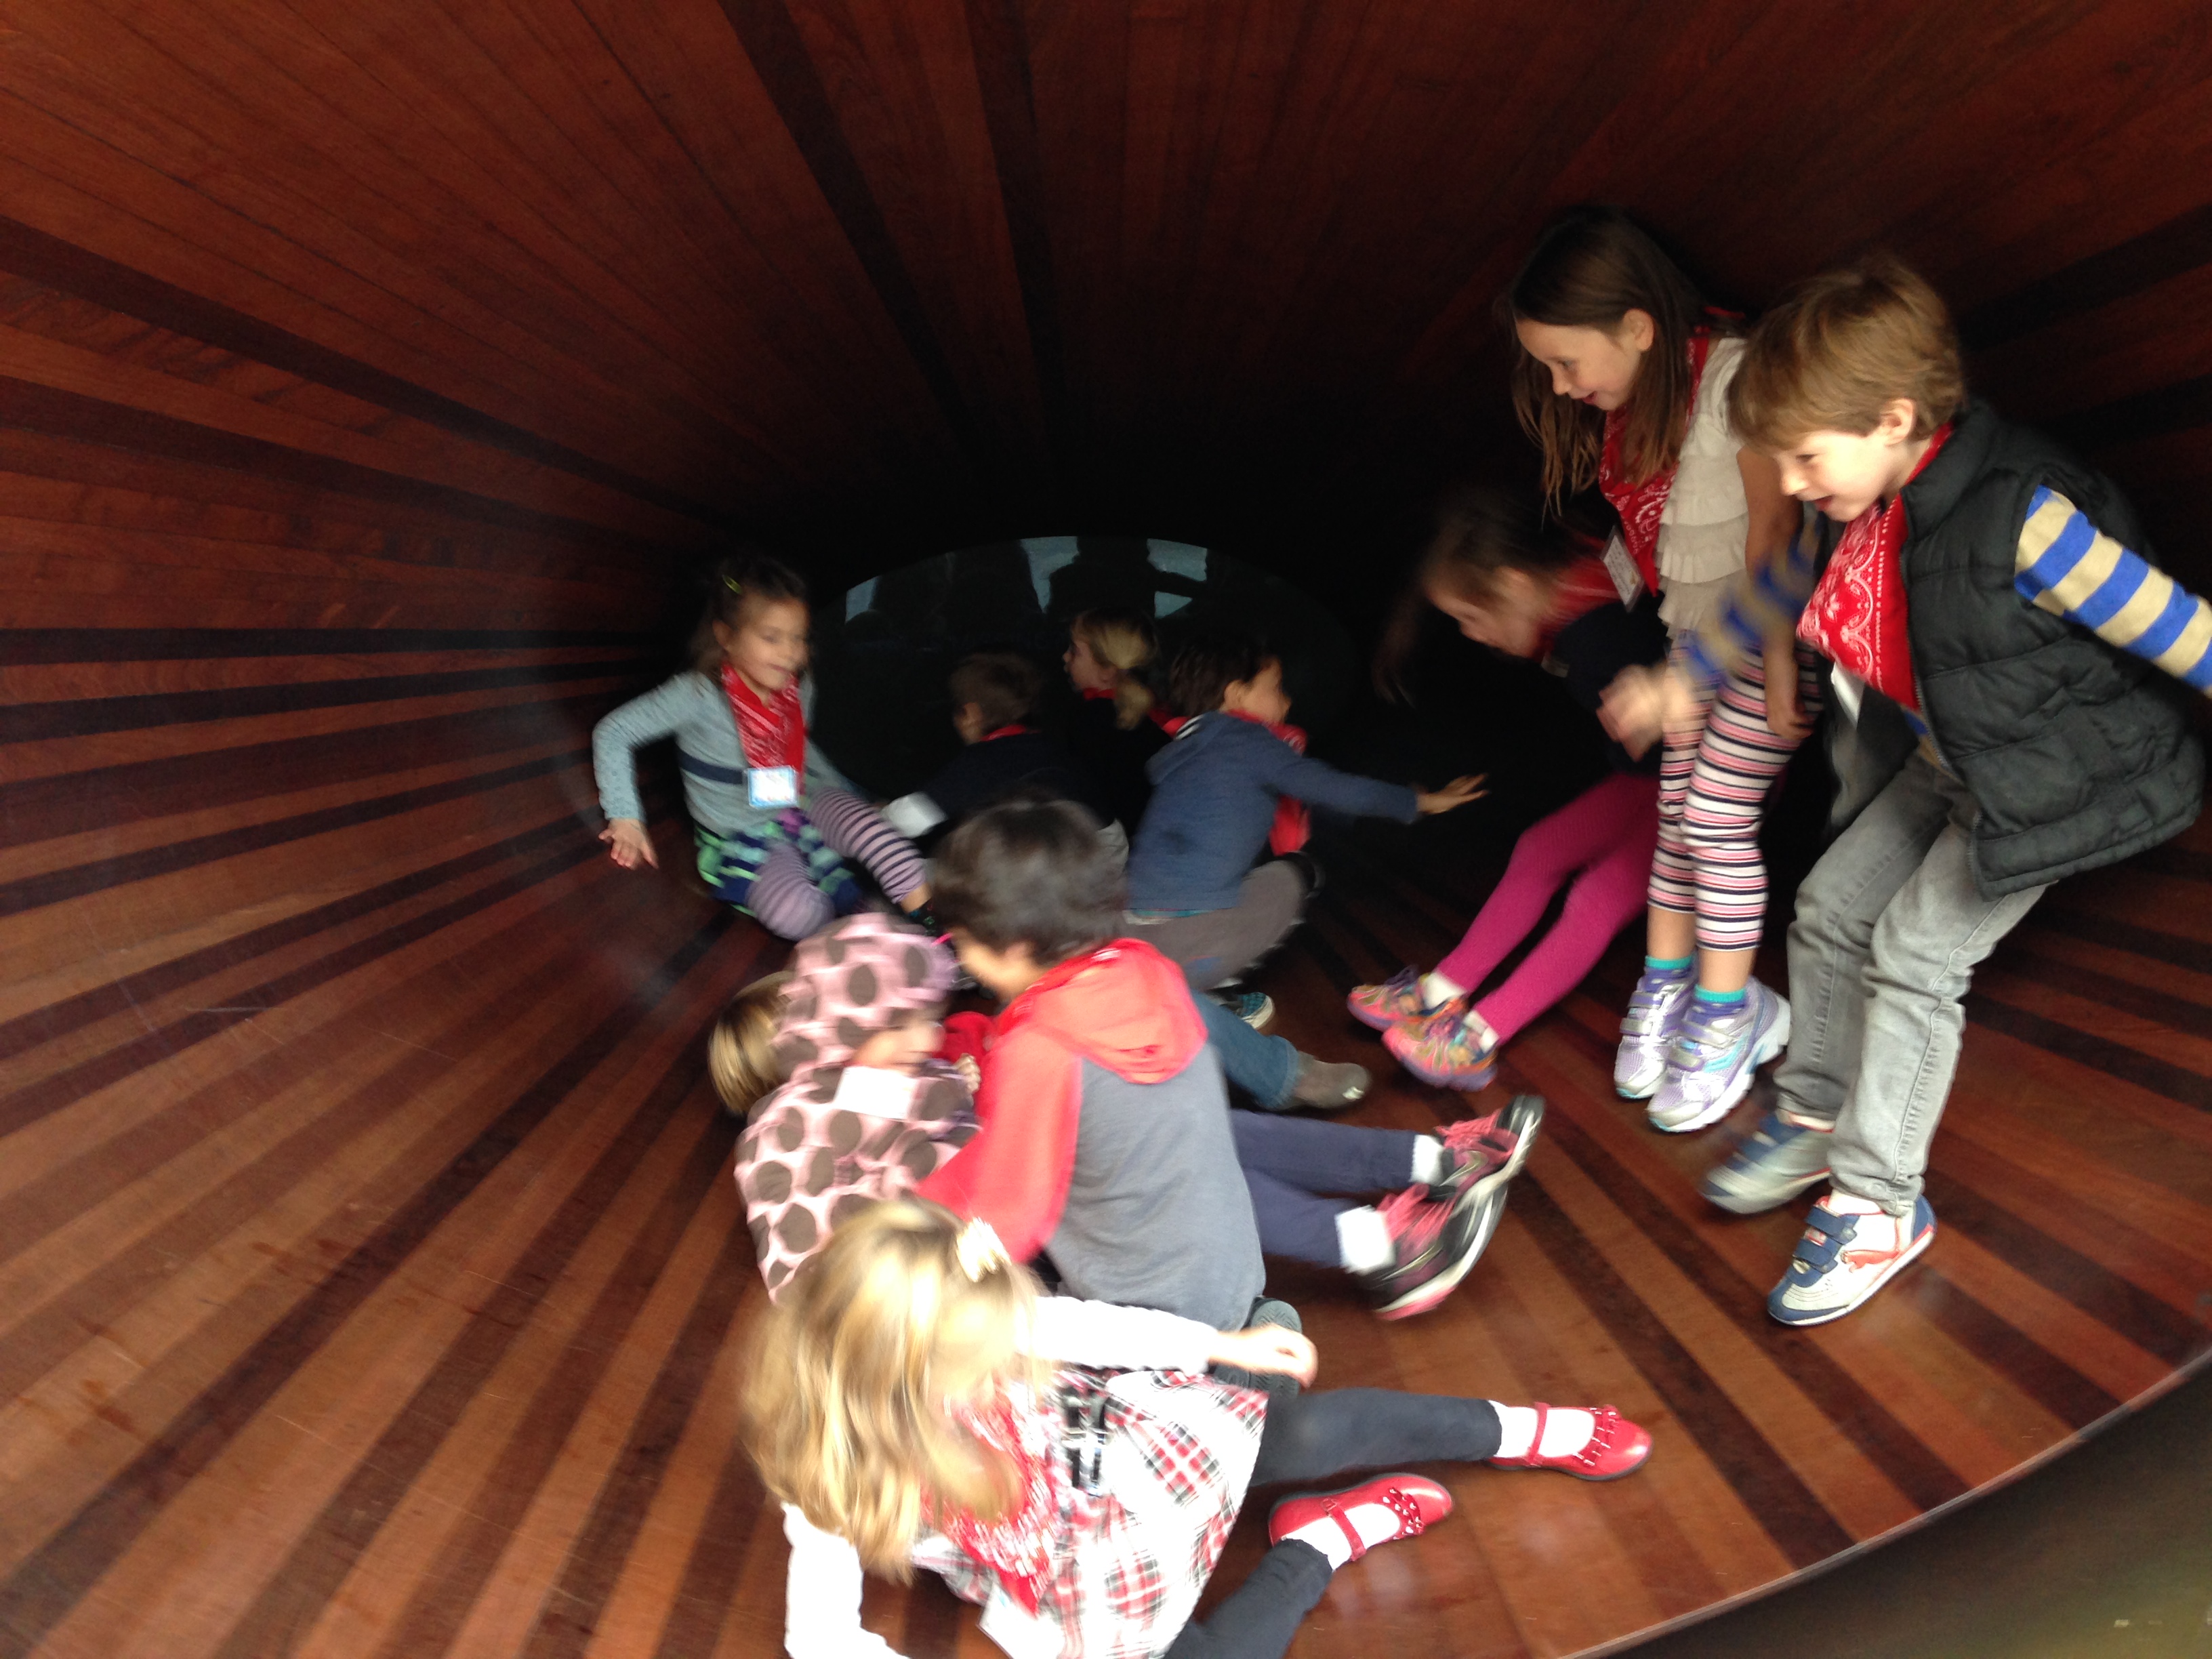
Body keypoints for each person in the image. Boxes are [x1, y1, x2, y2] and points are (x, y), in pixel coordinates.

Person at [1701, 254, 2209, 1325]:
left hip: (2047, 778)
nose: (1790, 482)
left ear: (1893, 418)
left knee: (1915, 956)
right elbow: (1801, 588)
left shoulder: (2027, 518)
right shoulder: (1876, 499)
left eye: (1804, 456)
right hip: (1954, 755)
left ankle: (1880, 1203)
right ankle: (1818, 1118)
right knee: (1828, 908)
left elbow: (2183, 630)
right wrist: (1685, 673)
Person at [750, 1202, 1654, 1659]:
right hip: (1068, 1593)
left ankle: (1520, 1428)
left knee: (1304, 1436)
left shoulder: (967, 1315)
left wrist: (1219, 1345)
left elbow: (1082, 1329)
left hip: (1119, 1450)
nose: (1007, 1358)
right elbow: (820, 1641)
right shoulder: (827, 1484)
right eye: (983, 1358)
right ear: (893, 1374)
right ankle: (1320, 1543)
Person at [919, 798, 1531, 1320]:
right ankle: (1431, 1169)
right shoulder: (1147, 969)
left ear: (1017, 944)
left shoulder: (1036, 1049)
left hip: (1157, 1315)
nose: (960, 959)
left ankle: (1384, 1247)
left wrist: (917, 1225)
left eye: (960, 942)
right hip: (1231, 1270)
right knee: (1213, 1134)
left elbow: (1008, 1217)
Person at [1505, 205, 1809, 1130]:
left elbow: (1781, 539)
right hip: (1697, 649)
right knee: (1675, 817)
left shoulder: (1737, 380)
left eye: (1567, 362)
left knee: (1713, 816)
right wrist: (1675, 669)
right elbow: (1667, 559)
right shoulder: (1644, 413)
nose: (1561, 386)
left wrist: (1774, 671)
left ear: (1637, 327)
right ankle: (1669, 984)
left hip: (1764, 641)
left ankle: (1733, 1012)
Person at [1350, 491, 1670, 1090]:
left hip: (1705, 783)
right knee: (1539, 849)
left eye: (1470, 617)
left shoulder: (1596, 640)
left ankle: (1480, 1036)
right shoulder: (1578, 585)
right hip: (1650, 773)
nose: (1470, 634)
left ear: (1515, 585)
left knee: (1597, 896)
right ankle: (1441, 992)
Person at [592, 554, 932, 940]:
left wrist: (853, 797)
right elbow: (615, 731)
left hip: (805, 800)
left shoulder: (798, 686)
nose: (789, 653)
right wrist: (625, 817)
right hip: (743, 832)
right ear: (726, 636)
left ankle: (935, 928)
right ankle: (867, 938)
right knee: (796, 912)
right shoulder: (698, 694)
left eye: (798, 638)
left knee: (880, 837)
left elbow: (803, 751)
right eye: (772, 637)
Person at [1124, 632, 1484, 992]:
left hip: (1130, 932)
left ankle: (1177, 986)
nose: (1288, 699)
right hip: (1194, 946)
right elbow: (1339, 790)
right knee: (1301, 870)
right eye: (1277, 687)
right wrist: (1420, 801)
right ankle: (1210, 995)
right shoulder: (1248, 740)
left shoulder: (1185, 749)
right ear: (1236, 695)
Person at [729, 914, 984, 1300]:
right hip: (881, 1294)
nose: (928, 1042)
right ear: (838, 1032)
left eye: (931, 1019)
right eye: (897, 1026)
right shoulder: (799, 1125)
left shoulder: (884, 1081)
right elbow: (808, 1265)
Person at [882, 652, 1120, 850]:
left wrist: (876, 816)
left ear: (971, 715)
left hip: (1066, 860)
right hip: (1105, 848)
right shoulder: (1048, 746)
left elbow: (907, 819)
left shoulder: (983, 761)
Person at [1062, 607, 1171, 835]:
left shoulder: (1086, 722)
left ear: (1108, 670)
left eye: (1074, 651)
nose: (1065, 657)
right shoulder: (1155, 720)